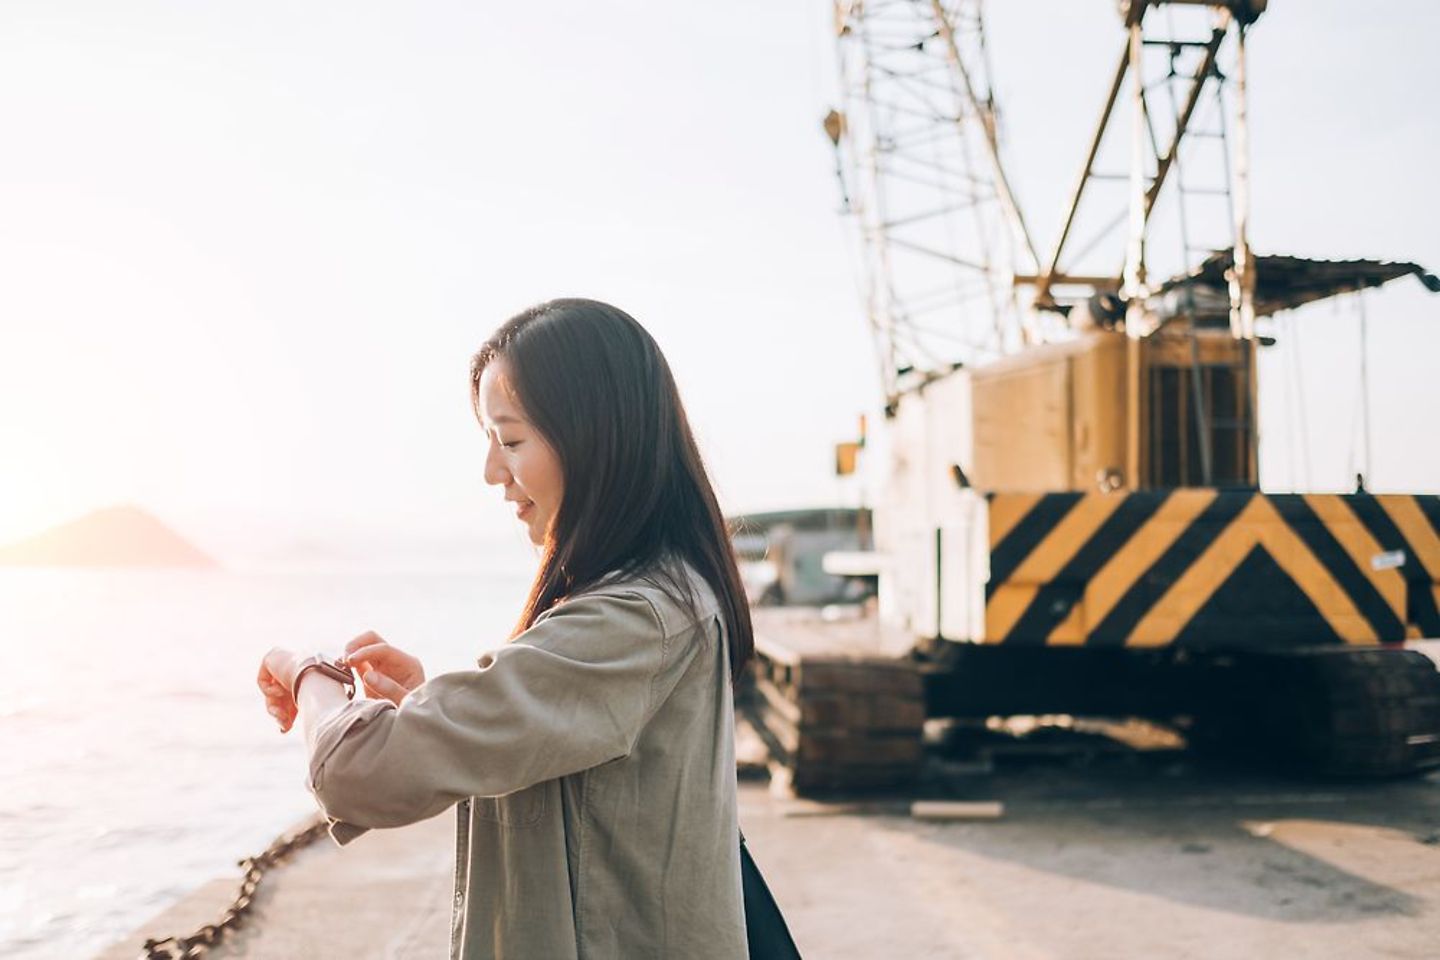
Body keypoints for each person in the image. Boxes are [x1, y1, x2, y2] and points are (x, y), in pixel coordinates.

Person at [255, 298, 755, 959]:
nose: (494, 474)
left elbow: (358, 771)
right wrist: (426, 704)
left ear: (600, 438)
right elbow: (584, 785)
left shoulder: (631, 619)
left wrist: (309, 672)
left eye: (511, 441)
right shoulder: (661, 596)